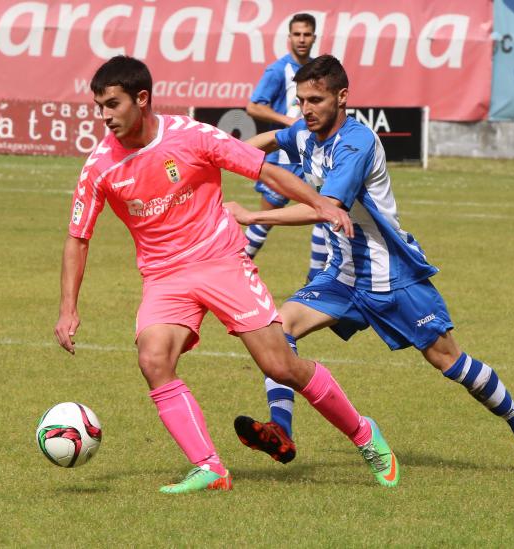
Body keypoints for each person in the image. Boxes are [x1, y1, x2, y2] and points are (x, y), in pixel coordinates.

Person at [54, 55, 401, 494]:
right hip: (165, 276)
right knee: (153, 358)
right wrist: (68, 309)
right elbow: (77, 237)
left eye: (112, 104)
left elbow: (265, 169)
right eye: (99, 106)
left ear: (141, 99)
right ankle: (210, 467)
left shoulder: (192, 136)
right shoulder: (100, 166)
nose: (104, 116)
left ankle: (364, 435)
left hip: (221, 261)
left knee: (280, 364)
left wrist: (321, 204)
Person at [225, 55, 514, 475]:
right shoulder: (307, 132)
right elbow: (275, 137)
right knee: (278, 330)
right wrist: (223, 153)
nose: (306, 109)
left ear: (342, 97)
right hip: (342, 277)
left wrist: (252, 216)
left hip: (392, 277)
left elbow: (326, 208)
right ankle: (280, 430)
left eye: (316, 99)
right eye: (301, 100)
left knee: (449, 361)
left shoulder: (356, 143)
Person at [243, 12, 328, 442]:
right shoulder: (279, 71)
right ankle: (237, 261)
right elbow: (253, 106)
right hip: (283, 157)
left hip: (306, 153)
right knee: (265, 220)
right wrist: (288, 124)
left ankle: (316, 281)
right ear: (288, 37)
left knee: (322, 211)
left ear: (314, 37)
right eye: (295, 33)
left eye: (306, 34)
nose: (301, 39)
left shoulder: (317, 72)